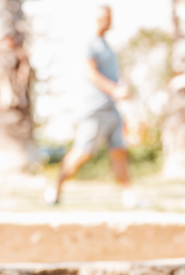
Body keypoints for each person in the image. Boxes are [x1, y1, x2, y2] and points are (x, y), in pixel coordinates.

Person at [44, 5, 136, 207]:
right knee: (82, 152)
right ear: (96, 19)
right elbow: (91, 73)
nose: (108, 22)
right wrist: (114, 90)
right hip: (95, 109)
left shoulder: (108, 46)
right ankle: (55, 187)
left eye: (110, 18)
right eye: (104, 18)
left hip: (112, 109)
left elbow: (111, 76)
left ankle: (128, 195)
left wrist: (121, 88)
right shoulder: (89, 43)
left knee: (119, 151)